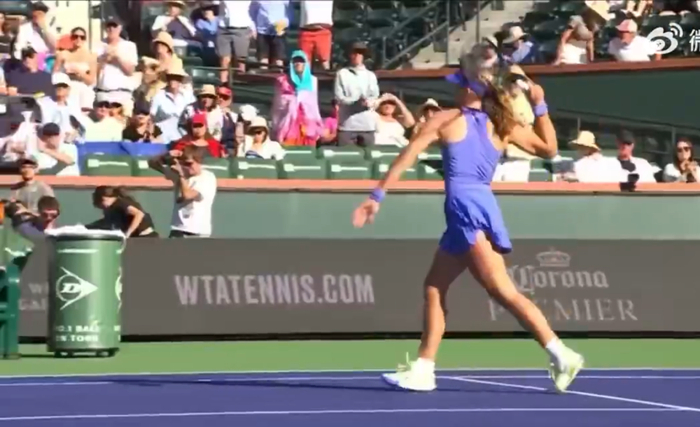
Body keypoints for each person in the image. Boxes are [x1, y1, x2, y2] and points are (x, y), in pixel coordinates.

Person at [352, 48, 584, 393]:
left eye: (458, 83)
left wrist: (376, 196)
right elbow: (550, 148)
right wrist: (540, 105)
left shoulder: (445, 120)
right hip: (472, 208)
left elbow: (407, 156)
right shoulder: (502, 125)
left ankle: (561, 353)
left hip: (466, 209)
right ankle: (423, 369)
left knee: (502, 290)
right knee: (434, 286)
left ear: (469, 88)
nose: (454, 88)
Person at [148, 145, 218, 238]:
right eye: (183, 164)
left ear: (199, 162)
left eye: (189, 164)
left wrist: (181, 175)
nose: (186, 167)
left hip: (197, 231)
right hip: (178, 228)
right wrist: (166, 155)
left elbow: (187, 195)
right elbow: (152, 163)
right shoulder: (181, 174)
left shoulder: (207, 177)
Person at [90, 186, 158, 238]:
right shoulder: (112, 209)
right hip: (137, 237)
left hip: (146, 237)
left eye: (101, 205)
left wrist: (128, 233)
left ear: (105, 198)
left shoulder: (121, 203)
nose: (102, 208)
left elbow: (139, 214)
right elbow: (106, 221)